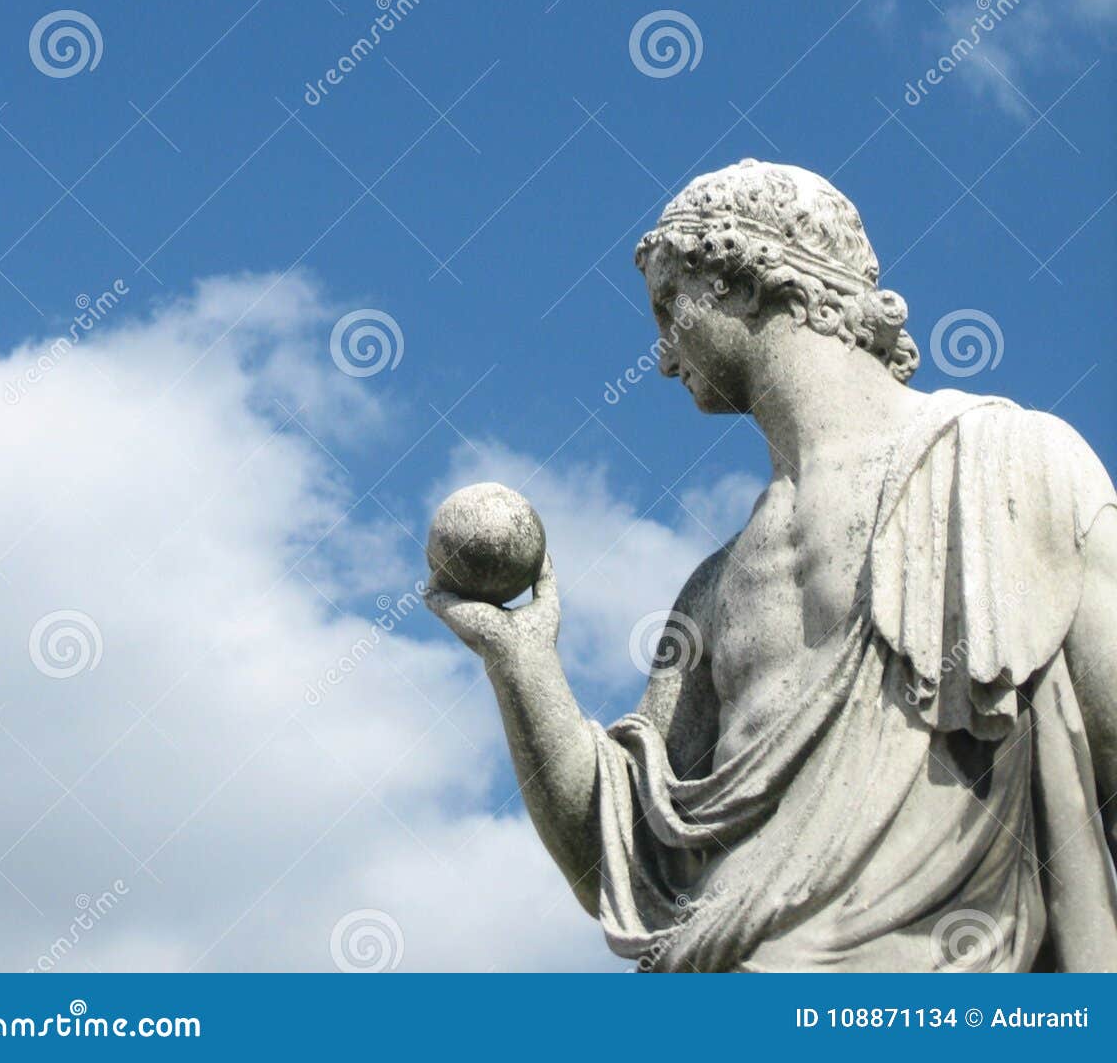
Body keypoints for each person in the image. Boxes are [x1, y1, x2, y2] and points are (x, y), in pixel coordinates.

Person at [427, 159, 1117, 971]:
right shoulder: (714, 589)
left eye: (667, 307)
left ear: (748, 283)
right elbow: (627, 860)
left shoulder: (1006, 461)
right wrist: (521, 661)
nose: (658, 356)